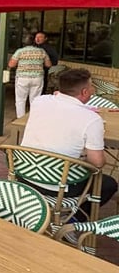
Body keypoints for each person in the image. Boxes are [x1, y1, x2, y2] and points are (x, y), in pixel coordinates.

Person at [21, 69, 118, 222]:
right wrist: (84, 155)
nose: (93, 90)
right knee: (108, 184)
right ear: (85, 92)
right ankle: (72, 222)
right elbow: (98, 162)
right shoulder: (92, 120)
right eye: (92, 87)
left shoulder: (39, 101)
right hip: (57, 187)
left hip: (24, 176)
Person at [8, 34, 51, 118]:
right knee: (35, 100)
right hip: (37, 78)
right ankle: (33, 118)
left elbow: (11, 64)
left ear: (24, 42)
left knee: (20, 100)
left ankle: (20, 119)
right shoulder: (41, 51)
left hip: (22, 78)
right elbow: (48, 64)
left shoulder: (20, 51)